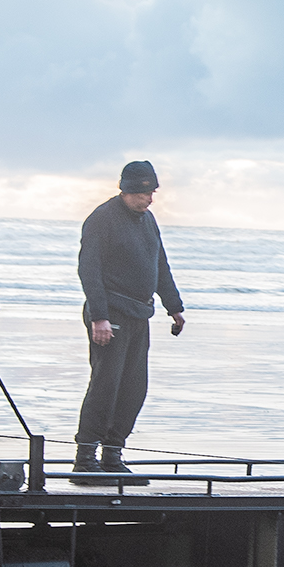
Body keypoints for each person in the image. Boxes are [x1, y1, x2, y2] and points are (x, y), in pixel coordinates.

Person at [72, 160, 186, 483]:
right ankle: (85, 458)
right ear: (127, 190)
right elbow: (89, 270)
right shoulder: (102, 219)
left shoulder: (148, 220)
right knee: (106, 384)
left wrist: (174, 307)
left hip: (139, 313)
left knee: (134, 387)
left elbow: (159, 265)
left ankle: (112, 456)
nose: (150, 199)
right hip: (110, 314)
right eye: (144, 193)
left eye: (152, 193)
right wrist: (100, 317)